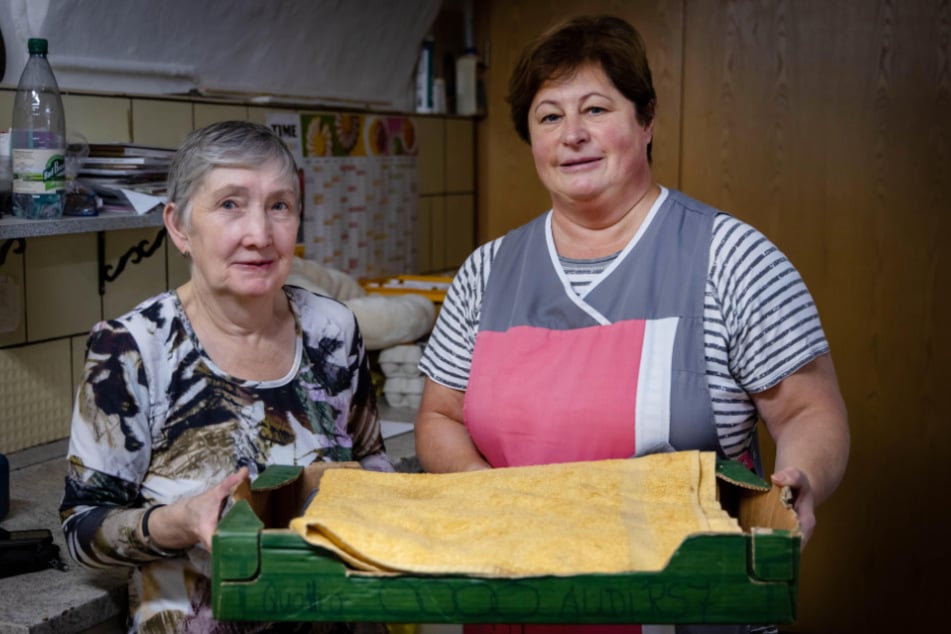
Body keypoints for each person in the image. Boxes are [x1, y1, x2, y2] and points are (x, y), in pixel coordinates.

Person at [415, 14, 850, 634]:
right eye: (549, 116)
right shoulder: (487, 271)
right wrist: (495, 496)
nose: (573, 135)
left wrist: (801, 479)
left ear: (645, 122)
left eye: (596, 109)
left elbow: (809, 410)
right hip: (514, 598)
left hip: (687, 602)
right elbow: (439, 416)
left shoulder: (729, 257)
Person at [60, 120, 392, 633]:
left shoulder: (333, 328)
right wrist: (180, 521)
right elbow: (82, 533)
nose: (259, 235)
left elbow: (371, 460)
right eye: (230, 205)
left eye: (279, 206)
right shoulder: (132, 349)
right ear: (178, 226)